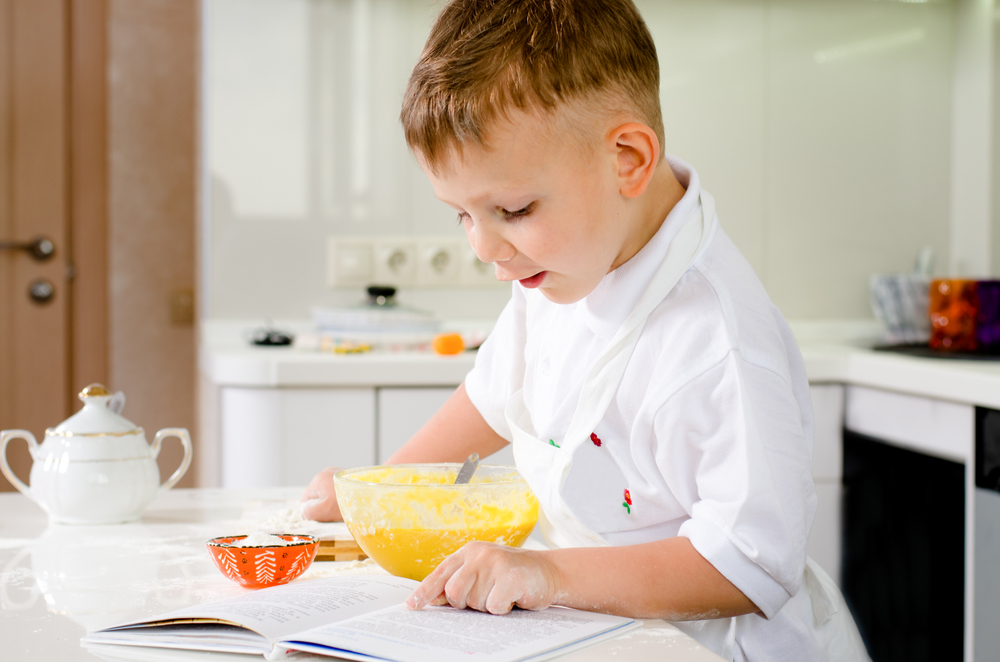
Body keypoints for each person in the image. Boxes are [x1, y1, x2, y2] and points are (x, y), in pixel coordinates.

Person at [302, 1, 869, 659]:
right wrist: (379, 492)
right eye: (462, 214)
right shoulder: (564, 263)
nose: (484, 247)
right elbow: (491, 397)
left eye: (512, 209)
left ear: (627, 159)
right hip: (606, 630)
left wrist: (547, 574)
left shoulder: (721, 340)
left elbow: (748, 562)